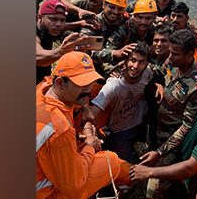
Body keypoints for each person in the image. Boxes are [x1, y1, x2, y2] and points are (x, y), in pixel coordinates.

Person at [129, 65, 197, 197]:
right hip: (179, 172)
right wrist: (159, 153)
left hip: (189, 184)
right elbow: (185, 128)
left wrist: (149, 172)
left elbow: (191, 167)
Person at [36, 52, 131, 199]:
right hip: (44, 192)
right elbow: (73, 184)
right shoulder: (58, 127)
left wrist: (85, 110)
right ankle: (137, 178)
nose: (88, 89)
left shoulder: (42, 90)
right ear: (60, 83)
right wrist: (90, 146)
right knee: (110, 161)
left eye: (90, 81)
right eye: (82, 84)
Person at [139, 29, 197, 198]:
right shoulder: (173, 60)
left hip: (171, 142)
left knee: (155, 189)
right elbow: (159, 72)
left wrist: (161, 152)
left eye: (175, 54)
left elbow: (186, 126)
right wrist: (156, 84)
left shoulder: (196, 86)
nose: (171, 57)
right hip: (155, 128)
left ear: (190, 54)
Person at [88, 42, 154, 163]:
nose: (135, 66)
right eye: (132, 60)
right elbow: (92, 114)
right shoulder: (113, 86)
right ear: (125, 61)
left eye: (141, 62)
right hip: (117, 130)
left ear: (147, 63)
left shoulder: (147, 73)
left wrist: (158, 84)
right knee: (117, 163)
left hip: (136, 124)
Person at [36, 0, 92, 84]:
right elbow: (37, 57)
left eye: (62, 20)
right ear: (39, 18)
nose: (58, 24)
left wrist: (79, 23)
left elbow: (62, 26)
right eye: (53, 19)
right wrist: (60, 52)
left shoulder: (49, 28)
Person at [81, 0, 129, 75]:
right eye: (112, 7)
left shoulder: (125, 21)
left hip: (118, 64)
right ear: (103, 5)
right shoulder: (92, 23)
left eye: (120, 9)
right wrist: (114, 53)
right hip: (92, 66)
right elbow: (86, 48)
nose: (115, 12)